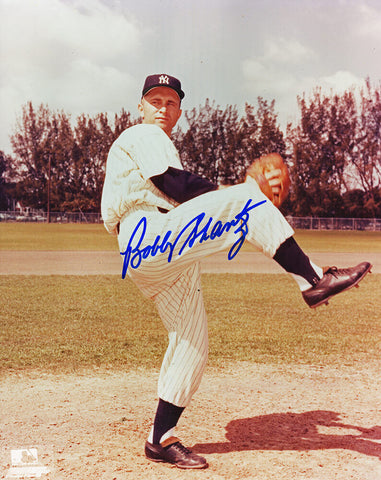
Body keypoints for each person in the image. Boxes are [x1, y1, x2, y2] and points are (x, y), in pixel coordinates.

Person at [101, 73, 371, 469]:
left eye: (171, 102)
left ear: (178, 111)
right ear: (140, 107)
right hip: (148, 233)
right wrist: (236, 191)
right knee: (247, 199)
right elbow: (175, 184)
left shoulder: (163, 143)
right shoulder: (141, 135)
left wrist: (230, 195)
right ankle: (314, 280)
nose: (162, 107)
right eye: (154, 100)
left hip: (163, 253)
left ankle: (159, 439)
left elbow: (182, 190)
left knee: (191, 344)